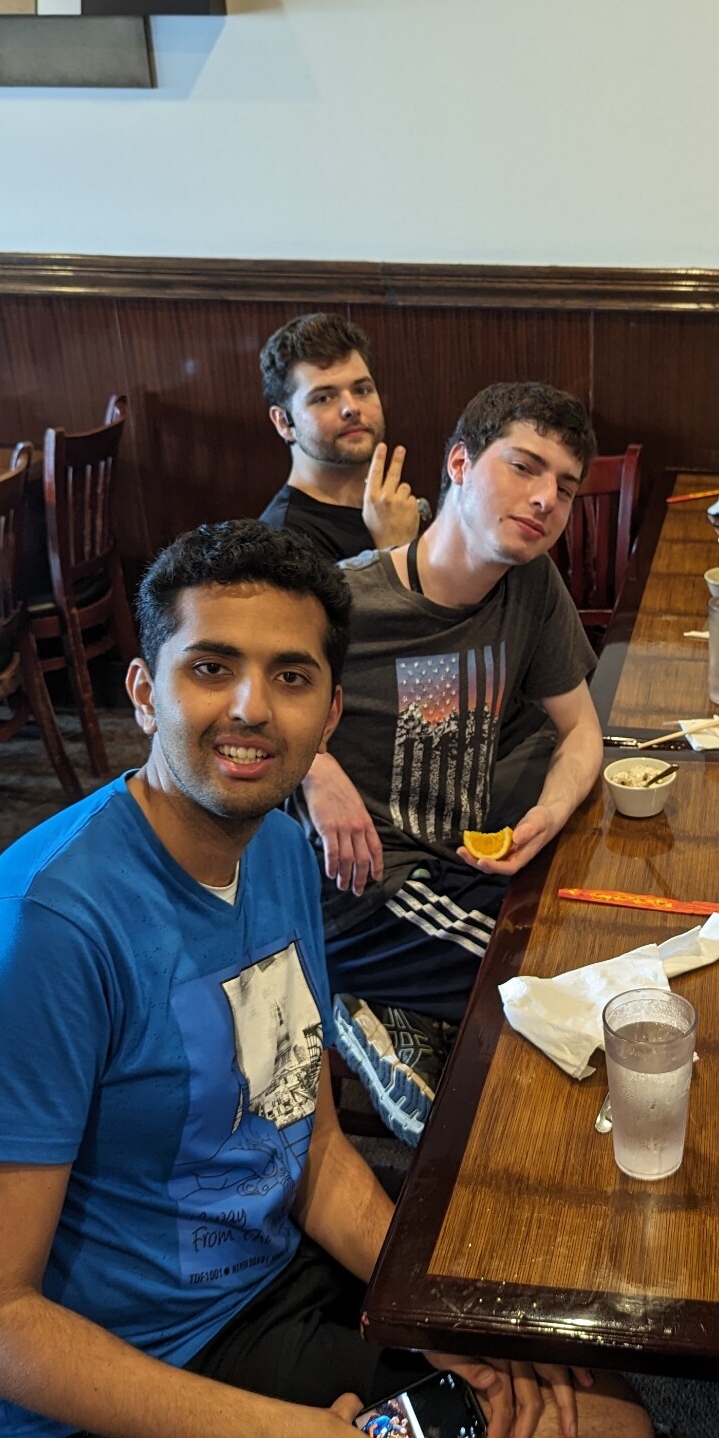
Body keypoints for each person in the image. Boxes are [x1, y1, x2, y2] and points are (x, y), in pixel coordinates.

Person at [0, 521, 655, 1438]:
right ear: (142, 688)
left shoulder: (273, 849)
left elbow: (305, 1147)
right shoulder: (45, 933)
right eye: (210, 668)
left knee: (574, 1385)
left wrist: (437, 1317)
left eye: (291, 675)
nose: (251, 708)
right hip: (118, 1404)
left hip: (263, 1290)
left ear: (328, 713)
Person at [298, 383, 602, 1131]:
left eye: (564, 488)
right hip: (357, 895)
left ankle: (406, 1013)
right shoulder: (342, 601)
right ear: (460, 464)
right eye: (524, 468)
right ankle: (349, 999)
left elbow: (583, 733)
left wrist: (551, 811)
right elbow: (222, 707)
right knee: (546, 990)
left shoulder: (530, 584)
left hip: (457, 864)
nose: (544, 500)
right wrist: (313, 766)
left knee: (589, 944)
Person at [258, 312, 423, 561]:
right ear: (283, 422)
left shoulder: (391, 505)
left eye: (361, 390)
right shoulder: (283, 541)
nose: (351, 408)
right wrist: (395, 551)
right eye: (323, 398)